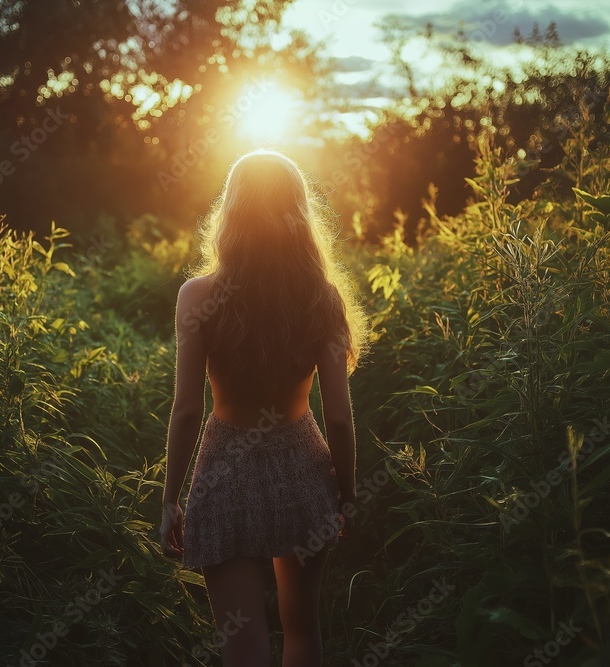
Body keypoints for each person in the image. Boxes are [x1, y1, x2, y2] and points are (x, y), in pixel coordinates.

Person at [159, 149, 369, 666]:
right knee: (302, 630)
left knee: (241, 647)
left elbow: (186, 409)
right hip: (303, 469)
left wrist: (170, 500)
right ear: (299, 212)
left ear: (230, 212)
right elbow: (339, 417)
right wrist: (347, 493)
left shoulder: (197, 296)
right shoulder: (321, 298)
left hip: (223, 475)